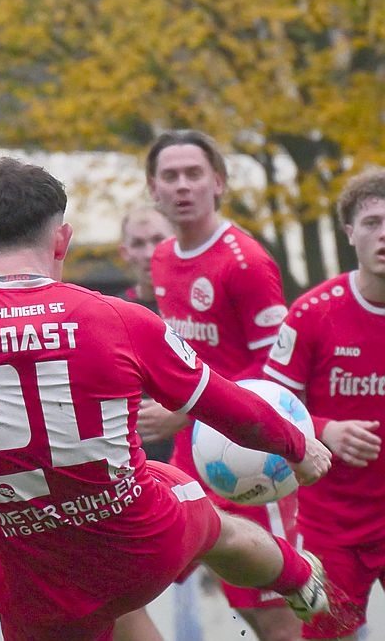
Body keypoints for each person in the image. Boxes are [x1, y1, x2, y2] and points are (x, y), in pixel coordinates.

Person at [0, 156, 334, 641]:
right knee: (210, 522)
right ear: (62, 240)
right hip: (140, 542)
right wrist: (297, 446)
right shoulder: (120, 320)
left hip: (30, 570)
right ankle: (297, 577)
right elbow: (227, 406)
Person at [141, 129, 300, 641]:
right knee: (124, 581)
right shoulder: (163, 258)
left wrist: (188, 409)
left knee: (277, 615)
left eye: (194, 174)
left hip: (249, 453)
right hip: (189, 456)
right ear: (153, 188)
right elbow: (185, 357)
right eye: (170, 176)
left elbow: (277, 375)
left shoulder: (246, 262)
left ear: (219, 182)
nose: (182, 186)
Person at [262, 168, 385, 640]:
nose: (384, 234)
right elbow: (271, 405)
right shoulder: (314, 313)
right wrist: (324, 429)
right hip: (333, 525)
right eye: (372, 222)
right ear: (350, 232)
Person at [112, 206, 175, 641]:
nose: (150, 251)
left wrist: (183, 415)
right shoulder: (112, 313)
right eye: (139, 243)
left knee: (268, 616)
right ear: (125, 252)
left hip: (216, 469)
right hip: (135, 478)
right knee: (118, 603)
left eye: (158, 240)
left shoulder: (203, 306)